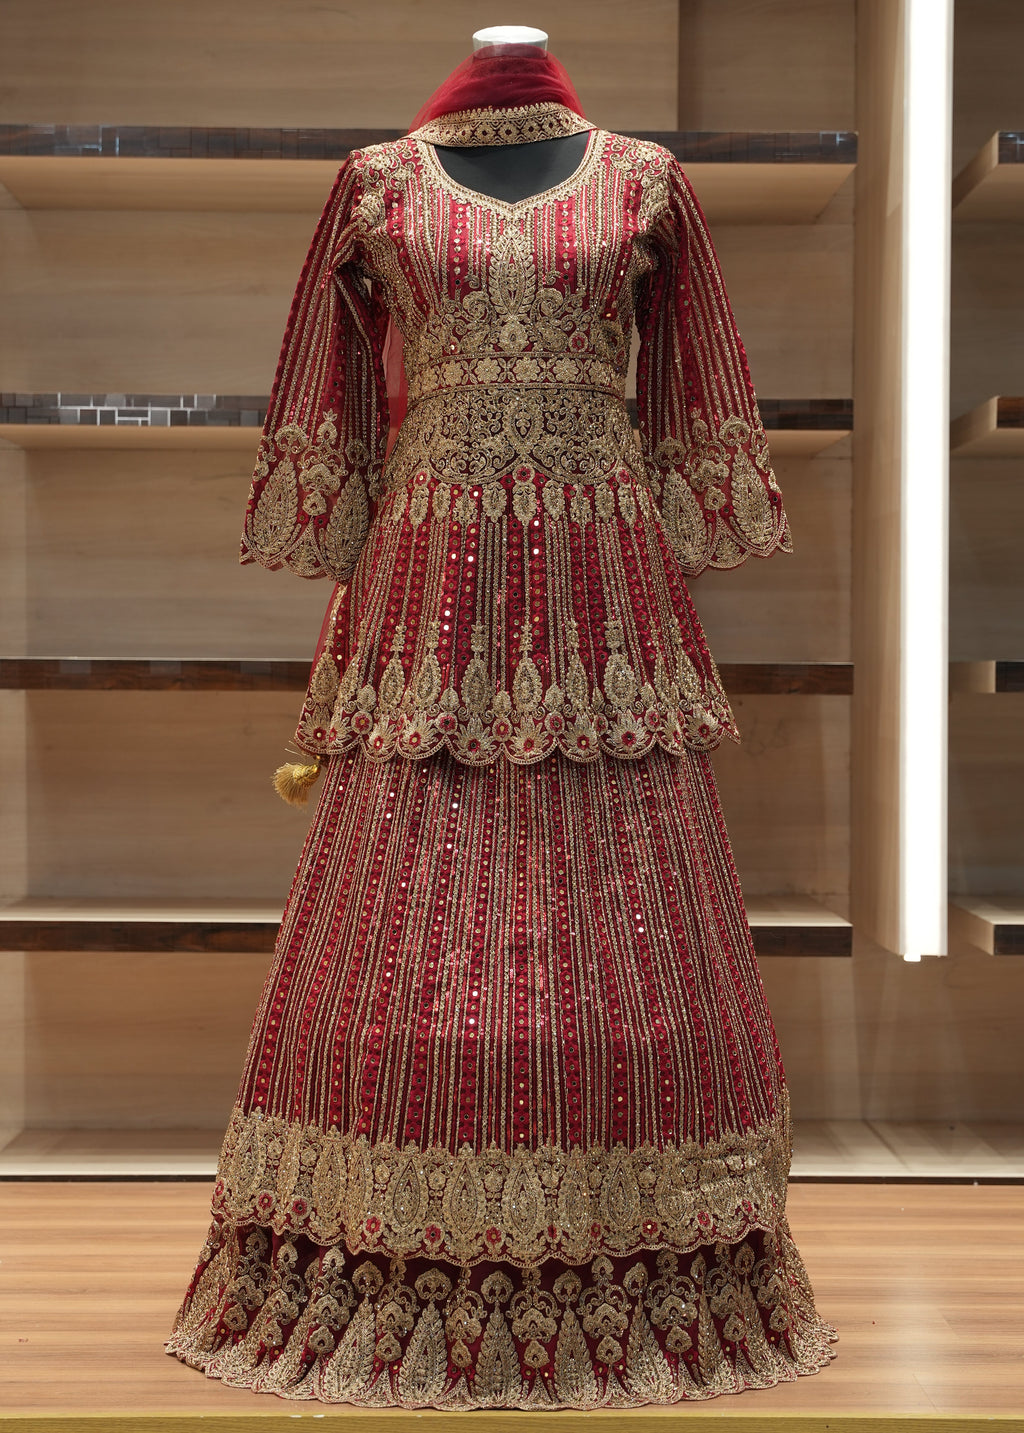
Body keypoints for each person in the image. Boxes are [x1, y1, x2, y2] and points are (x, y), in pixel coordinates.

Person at [166, 36, 837, 1410]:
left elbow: (688, 382)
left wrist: (693, 499)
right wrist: (337, 513)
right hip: (430, 567)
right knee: (405, 873)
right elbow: (330, 378)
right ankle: (372, 1252)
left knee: (632, 887)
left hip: (606, 576)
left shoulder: (651, 182)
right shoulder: (377, 183)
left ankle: (658, 1253)